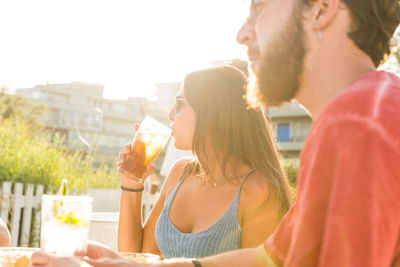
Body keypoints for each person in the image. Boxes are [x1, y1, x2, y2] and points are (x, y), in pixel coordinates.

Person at [30, 0, 400, 265]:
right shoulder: (366, 113)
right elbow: (269, 258)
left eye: (260, 8)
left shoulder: (357, 123)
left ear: (322, 8)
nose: (242, 34)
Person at [117, 65, 292, 259]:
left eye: (179, 104)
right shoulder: (180, 173)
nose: (171, 115)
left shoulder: (258, 191)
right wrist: (131, 185)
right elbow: (135, 257)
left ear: (211, 111)